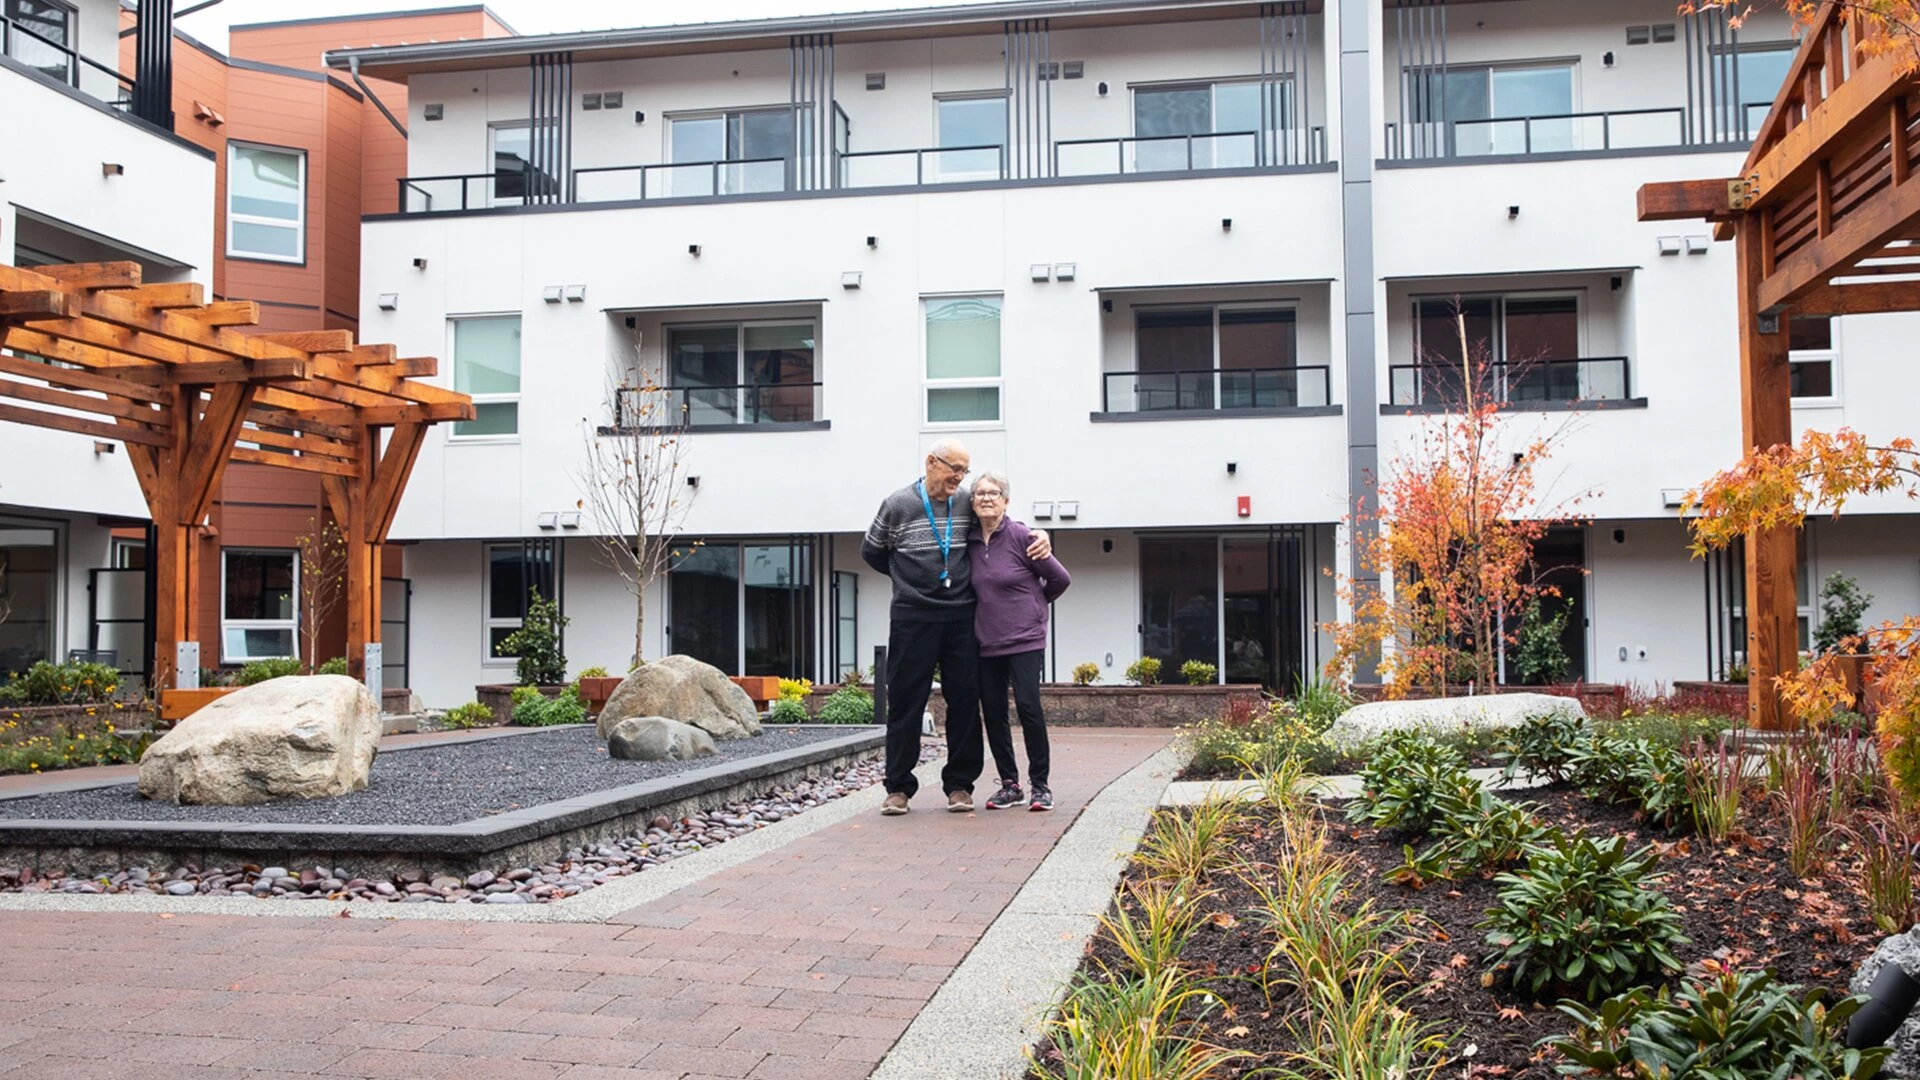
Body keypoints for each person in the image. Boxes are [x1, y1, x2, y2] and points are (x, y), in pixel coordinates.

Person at [861, 439, 1050, 815]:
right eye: (956, 469)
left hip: (962, 615)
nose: (961, 478)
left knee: (964, 700)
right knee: (905, 701)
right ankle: (898, 788)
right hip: (912, 617)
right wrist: (909, 580)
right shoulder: (898, 504)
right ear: (931, 462)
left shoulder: (965, 501)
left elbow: (1001, 523)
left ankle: (960, 785)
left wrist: (1038, 534)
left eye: (965, 471)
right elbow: (872, 551)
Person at [968, 471, 1070, 811]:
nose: (986, 498)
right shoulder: (967, 541)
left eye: (993, 493)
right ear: (972, 502)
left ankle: (1040, 785)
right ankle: (1010, 785)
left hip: (1025, 639)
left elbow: (1060, 579)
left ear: (1006, 501)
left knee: (1028, 707)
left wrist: (1036, 605)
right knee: (994, 712)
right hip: (986, 642)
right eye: (979, 493)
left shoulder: (1022, 536)